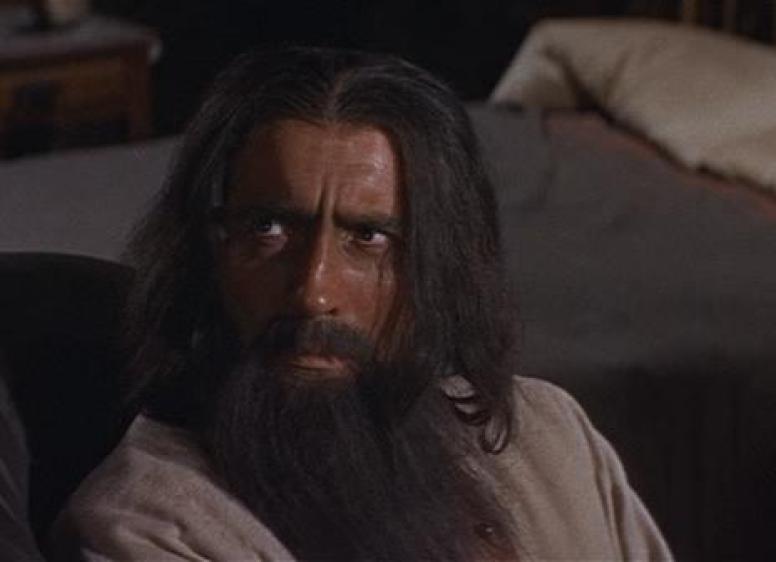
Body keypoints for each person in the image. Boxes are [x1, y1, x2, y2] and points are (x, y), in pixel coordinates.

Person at [53, 46, 672, 561]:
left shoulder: (553, 435)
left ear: (440, 264)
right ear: (207, 250)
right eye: (269, 229)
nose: (314, 292)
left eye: (369, 237)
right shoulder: (153, 527)